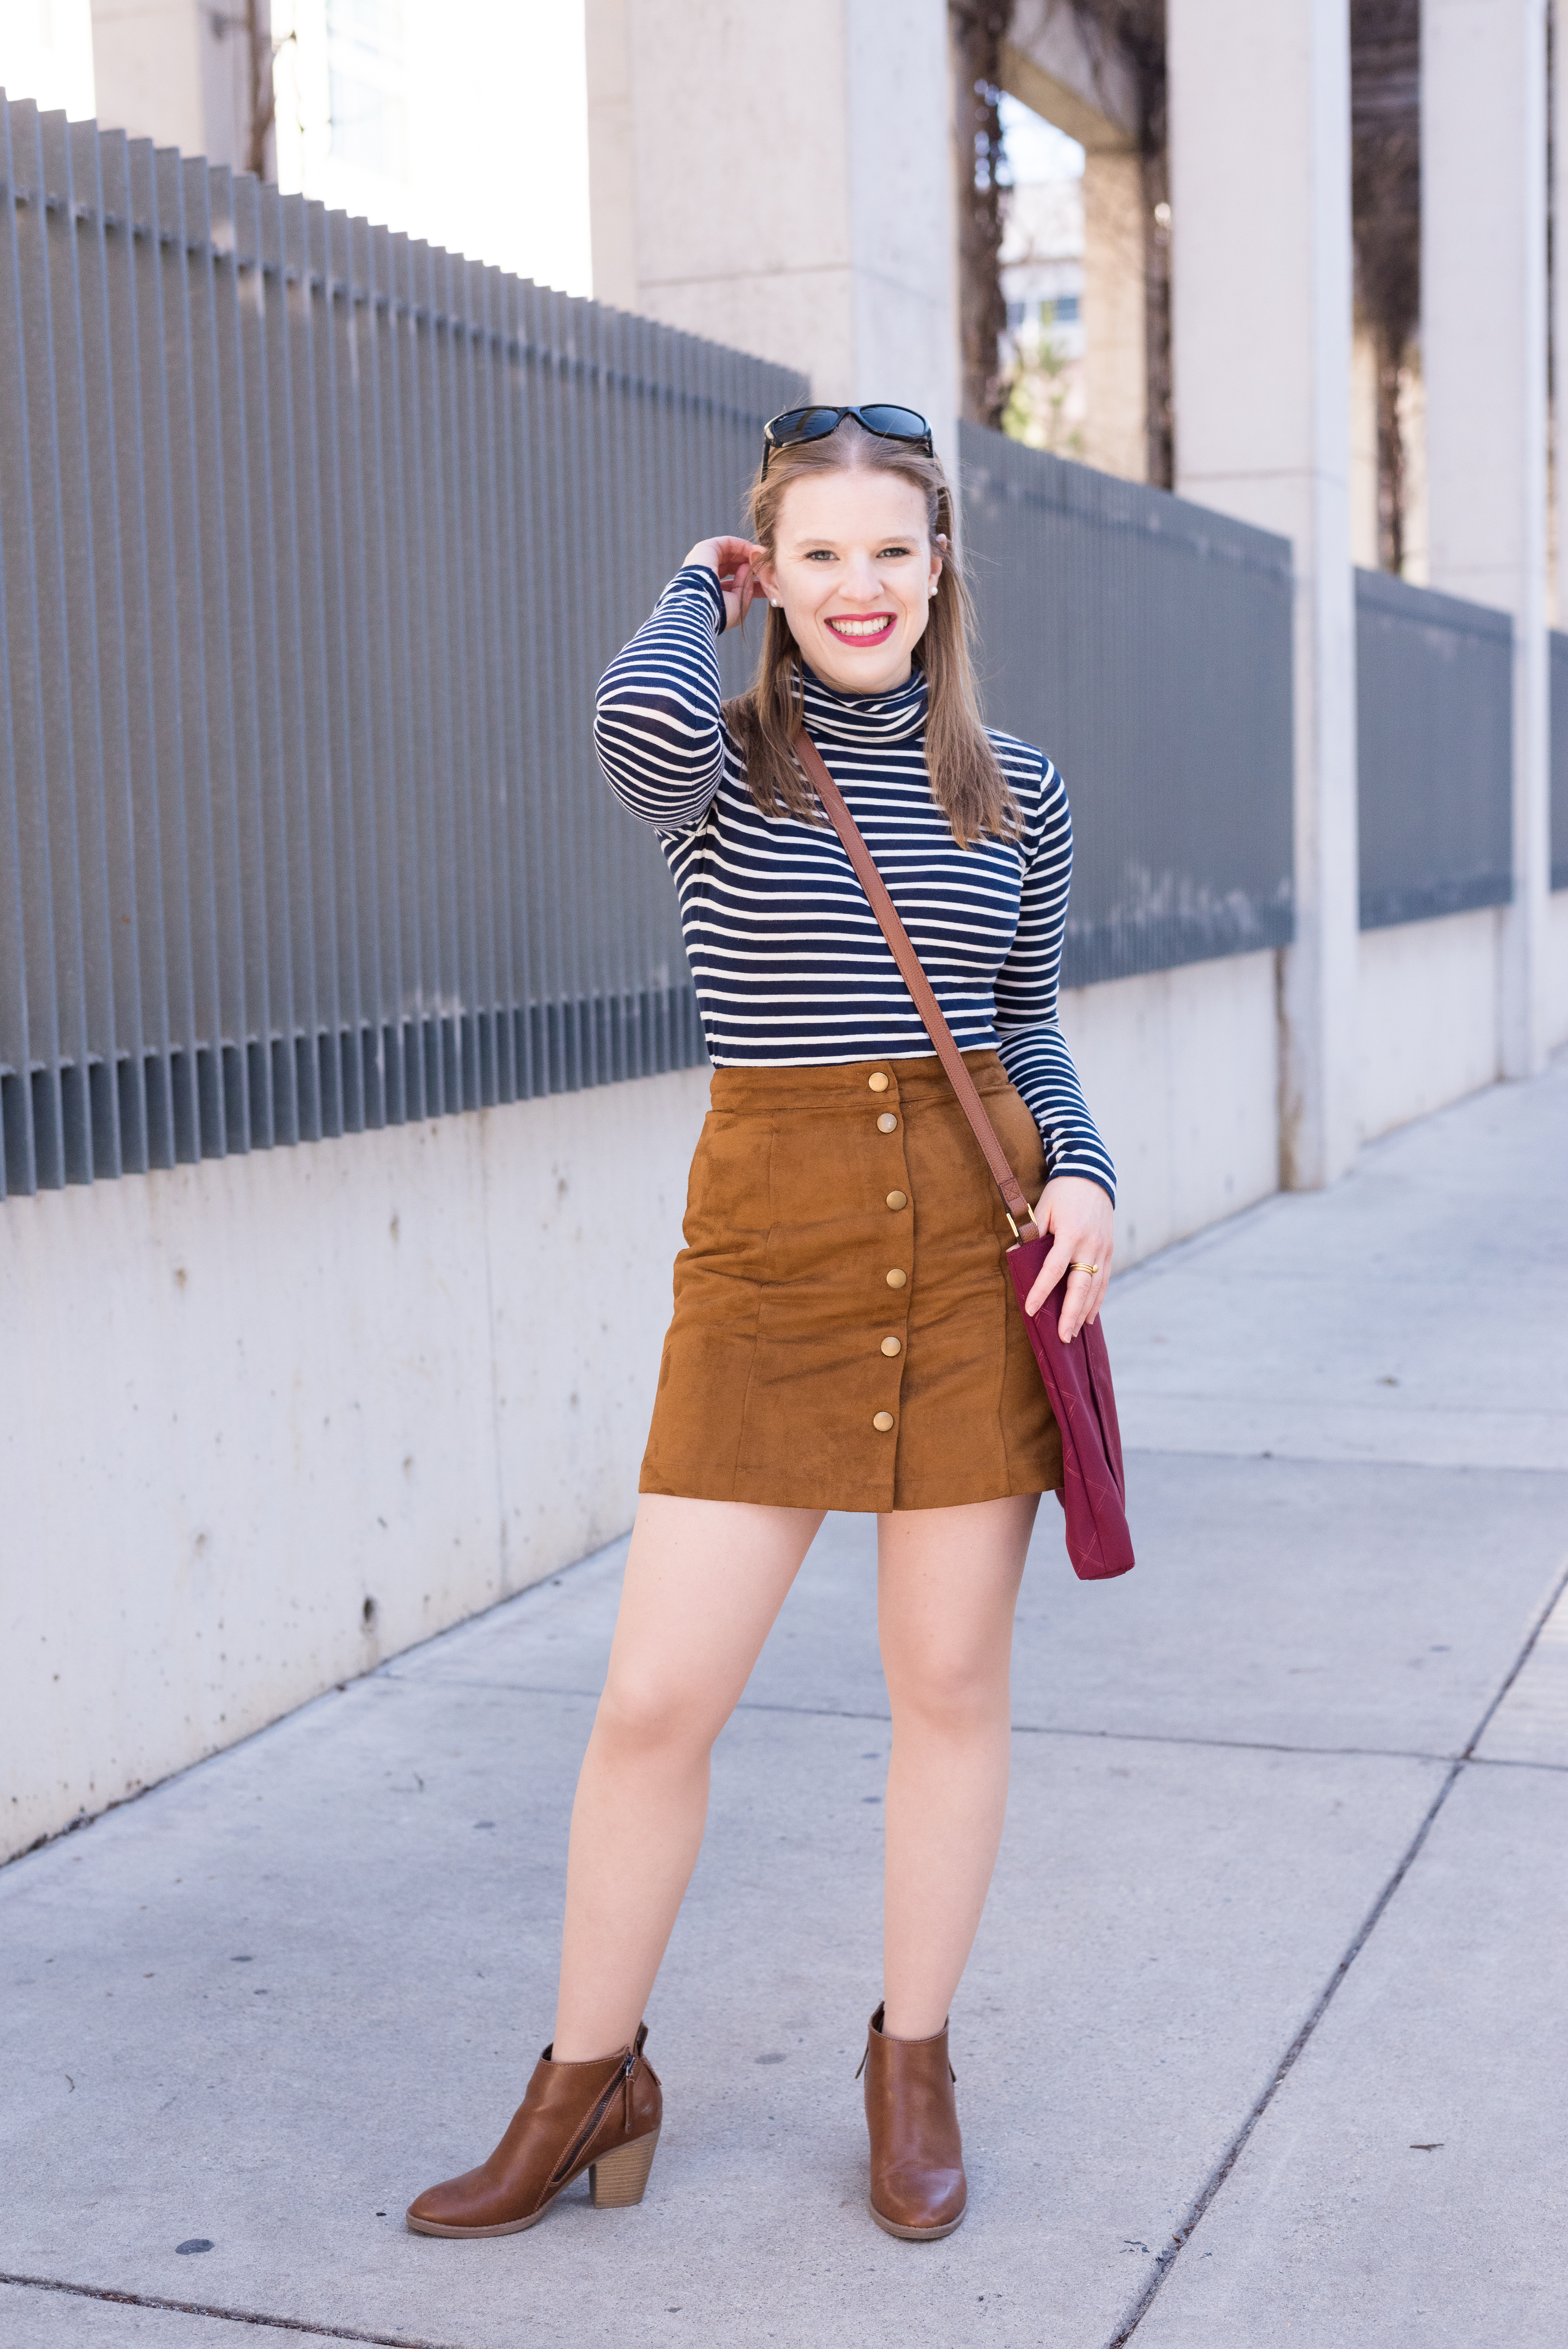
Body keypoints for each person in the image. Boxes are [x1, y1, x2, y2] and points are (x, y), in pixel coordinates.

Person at [406, 403, 1115, 2246]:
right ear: (769, 576)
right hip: (769, 1260)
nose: (856, 586)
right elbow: (623, 724)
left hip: (973, 1257)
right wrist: (690, 589)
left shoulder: (1011, 788)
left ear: (938, 567)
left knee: (946, 1684)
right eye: (814, 555)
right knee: (654, 1698)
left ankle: (911, 2061)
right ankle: (586, 2081)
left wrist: (1091, 1177)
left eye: (890, 551)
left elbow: (1023, 1022)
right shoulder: (717, 761)